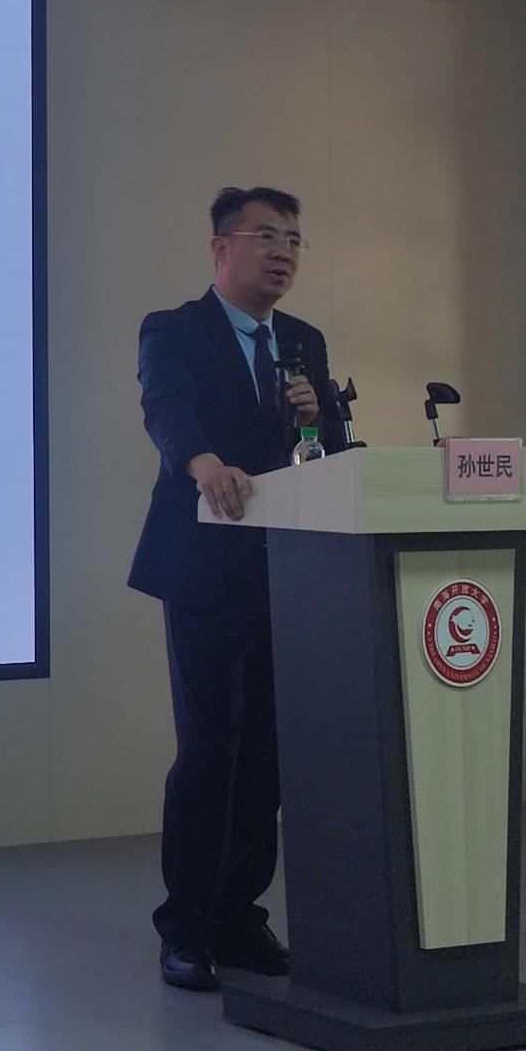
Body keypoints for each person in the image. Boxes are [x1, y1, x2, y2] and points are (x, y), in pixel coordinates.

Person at [128, 186, 345, 993]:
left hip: (290, 569)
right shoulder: (174, 330)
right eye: (267, 236)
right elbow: (167, 411)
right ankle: (185, 926)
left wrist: (317, 415)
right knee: (211, 748)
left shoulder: (303, 341)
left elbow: (327, 454)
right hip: (205, 564)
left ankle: (240, 917)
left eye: (294, 239)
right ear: (222, 246)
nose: (283, 252)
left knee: (268, 754)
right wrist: (204, 465)